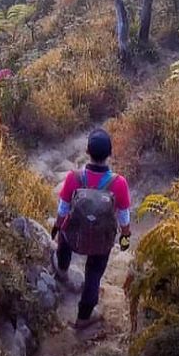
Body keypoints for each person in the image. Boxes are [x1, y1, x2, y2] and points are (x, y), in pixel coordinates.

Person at [51, 128, 131, 330]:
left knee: (64, 236)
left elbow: (63, 209)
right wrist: (126, 236)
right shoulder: (118, 184)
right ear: (110, 153)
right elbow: (123, 215)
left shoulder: (73, 178)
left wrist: (57, 226)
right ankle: (83, 317)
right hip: (101, 243)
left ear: (87, 151)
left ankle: (62, 271)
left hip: (74, 238)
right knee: (94, 274)